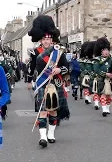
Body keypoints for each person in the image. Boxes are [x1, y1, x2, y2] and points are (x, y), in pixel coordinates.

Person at [28, 15, 70, 148]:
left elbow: (66, 67)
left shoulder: (59, 52)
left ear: (52, 39)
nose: (46, 41)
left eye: (48, 38)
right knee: (43, 111)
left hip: (55, 83)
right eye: (44, 39)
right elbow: (32, 67)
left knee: (53, 111)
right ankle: (43, 137)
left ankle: (51, 134)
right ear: (41, 39)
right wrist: (30, 80)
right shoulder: (36, 52)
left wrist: (59, 70)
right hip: (42, 83)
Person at [92, 37, 112, 115]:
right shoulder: (97, 59)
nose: (106, 52)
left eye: (107, 50)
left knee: (109, 96)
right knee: (103, 95)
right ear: (101, 51)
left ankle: (107, 108)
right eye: (104, 50)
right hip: (101, 79)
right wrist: (105, 74)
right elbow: (96, 69)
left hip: (110, 80)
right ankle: (104, 110)